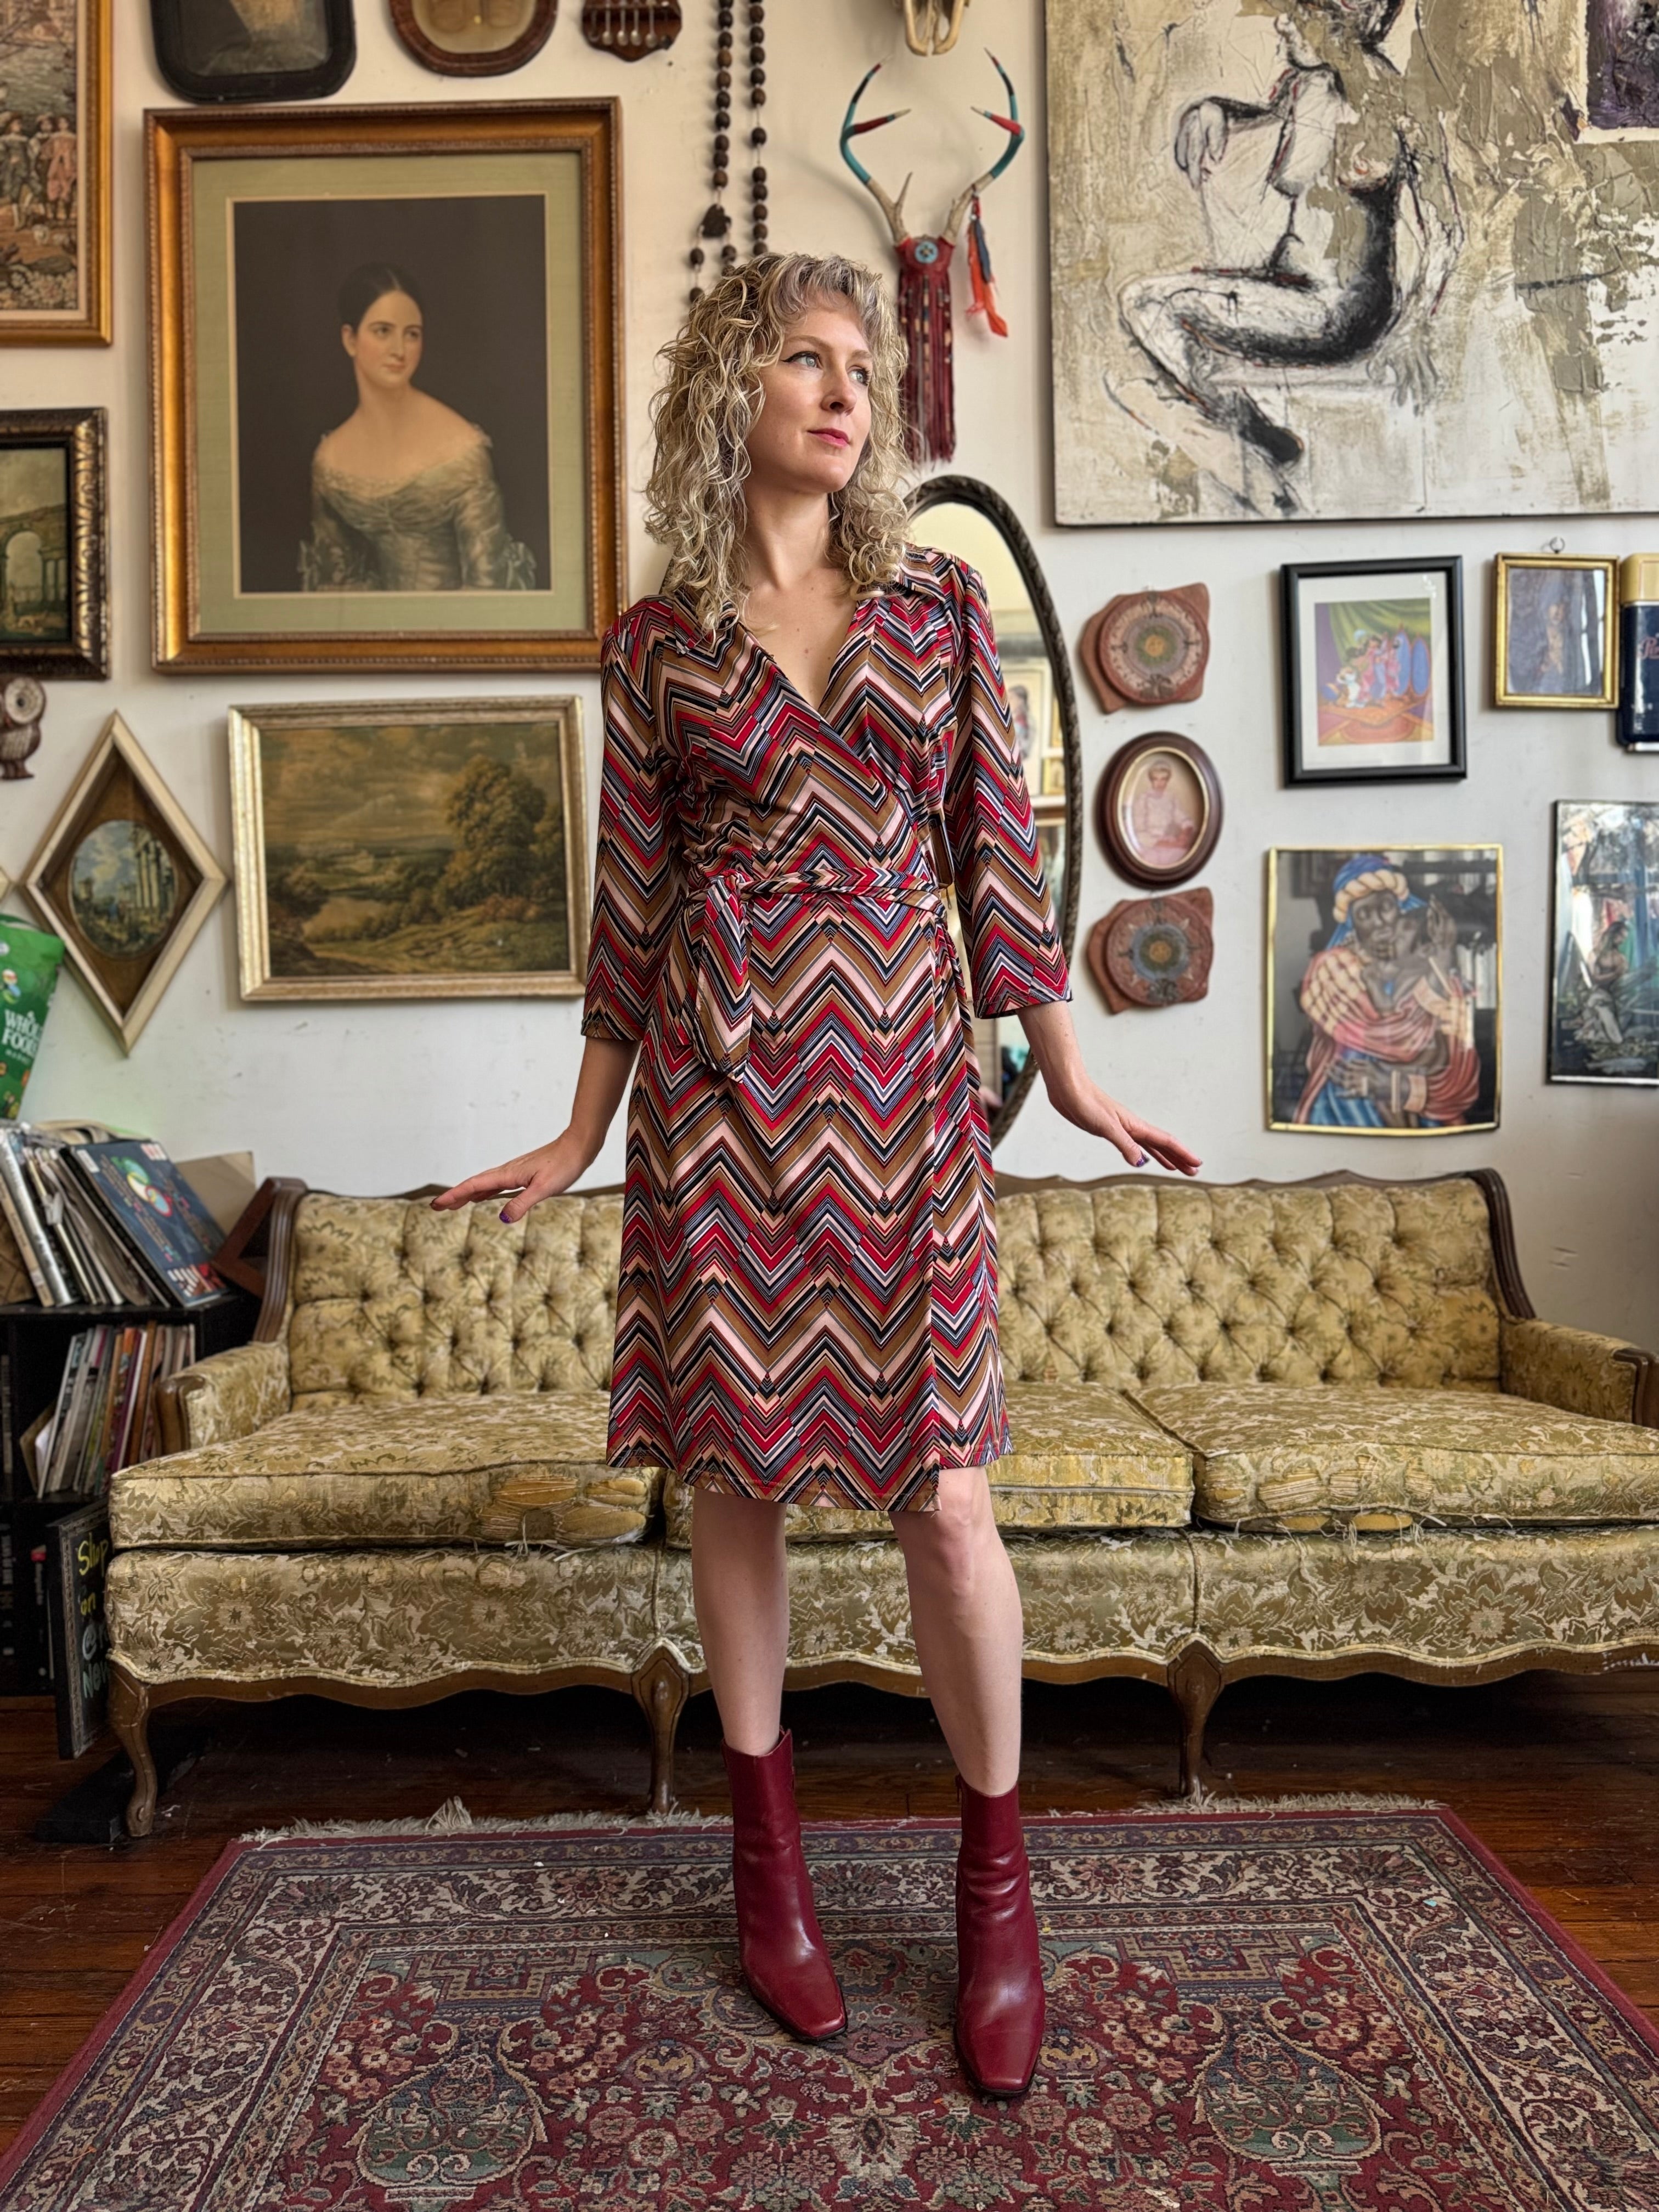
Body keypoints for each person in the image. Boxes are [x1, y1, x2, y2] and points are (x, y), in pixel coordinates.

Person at [434, 251, 1200, 2102]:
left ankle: (996, 1894)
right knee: (738, 1488)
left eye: (863, 364)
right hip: (716, 1107)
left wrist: (1069, 1066)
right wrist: (579, 1125)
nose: (848, 390)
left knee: (948, 1503)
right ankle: (764, 1866)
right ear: (734, 390)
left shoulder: (936, 611)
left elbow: (999, 861)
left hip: (907, 1109)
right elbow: (630, 909)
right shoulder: (656, 644)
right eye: (806, 358)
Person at [1110, 0, 1463, 515]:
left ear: (1340, 24)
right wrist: (1217, 109)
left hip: (1337, 312)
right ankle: (1259, 439)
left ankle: (1250, 442)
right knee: (1145, 325)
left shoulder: (1390, 100)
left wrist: (1414, 327)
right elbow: (1273, 122)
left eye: (1300, 14)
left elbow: (1447, 228)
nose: (1282, 23)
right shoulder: (1304, 85)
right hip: (1291, 291)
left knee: (1145, 304)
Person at [300, 261, 535, 594]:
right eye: (383, 331)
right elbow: (337, 589)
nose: (399, 351)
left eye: (412, 334)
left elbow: (488, 591)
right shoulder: (330, 458)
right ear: (350, 339)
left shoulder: (461, 449)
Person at [1295, 855, 1479, 1128]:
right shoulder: (1334, 967)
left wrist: (1395, 1084)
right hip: (1347, 1108)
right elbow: (1395, 1043)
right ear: (1352, 924)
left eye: (1386, 908)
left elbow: (1457, 1068)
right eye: (1364, 914)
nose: (1380, 923)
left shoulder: (1430, 970)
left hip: (1421, 1114)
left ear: (1402, 910)